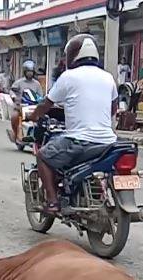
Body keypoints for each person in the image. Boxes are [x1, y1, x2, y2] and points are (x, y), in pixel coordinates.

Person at [29, 34, 118, 214]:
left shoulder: (68, 77)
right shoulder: (108, 77)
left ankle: (53, 202)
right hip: (108, 142)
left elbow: (46, 104)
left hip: (79, 141)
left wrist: (33, 116)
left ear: (73, 55)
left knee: (43, 156)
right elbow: (113, 108)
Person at [10, 60, 44, 144]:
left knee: (43, 120)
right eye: (28, 71)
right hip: (21, 106)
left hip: (33, 106)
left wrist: (41, 101)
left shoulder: (37, 84)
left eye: (31, 72)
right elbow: (12, 91)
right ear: (25, 72)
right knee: (14, 117)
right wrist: (15, 98)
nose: (30, 73)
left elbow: (40, 95)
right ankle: (15, 134)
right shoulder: (19, 82)